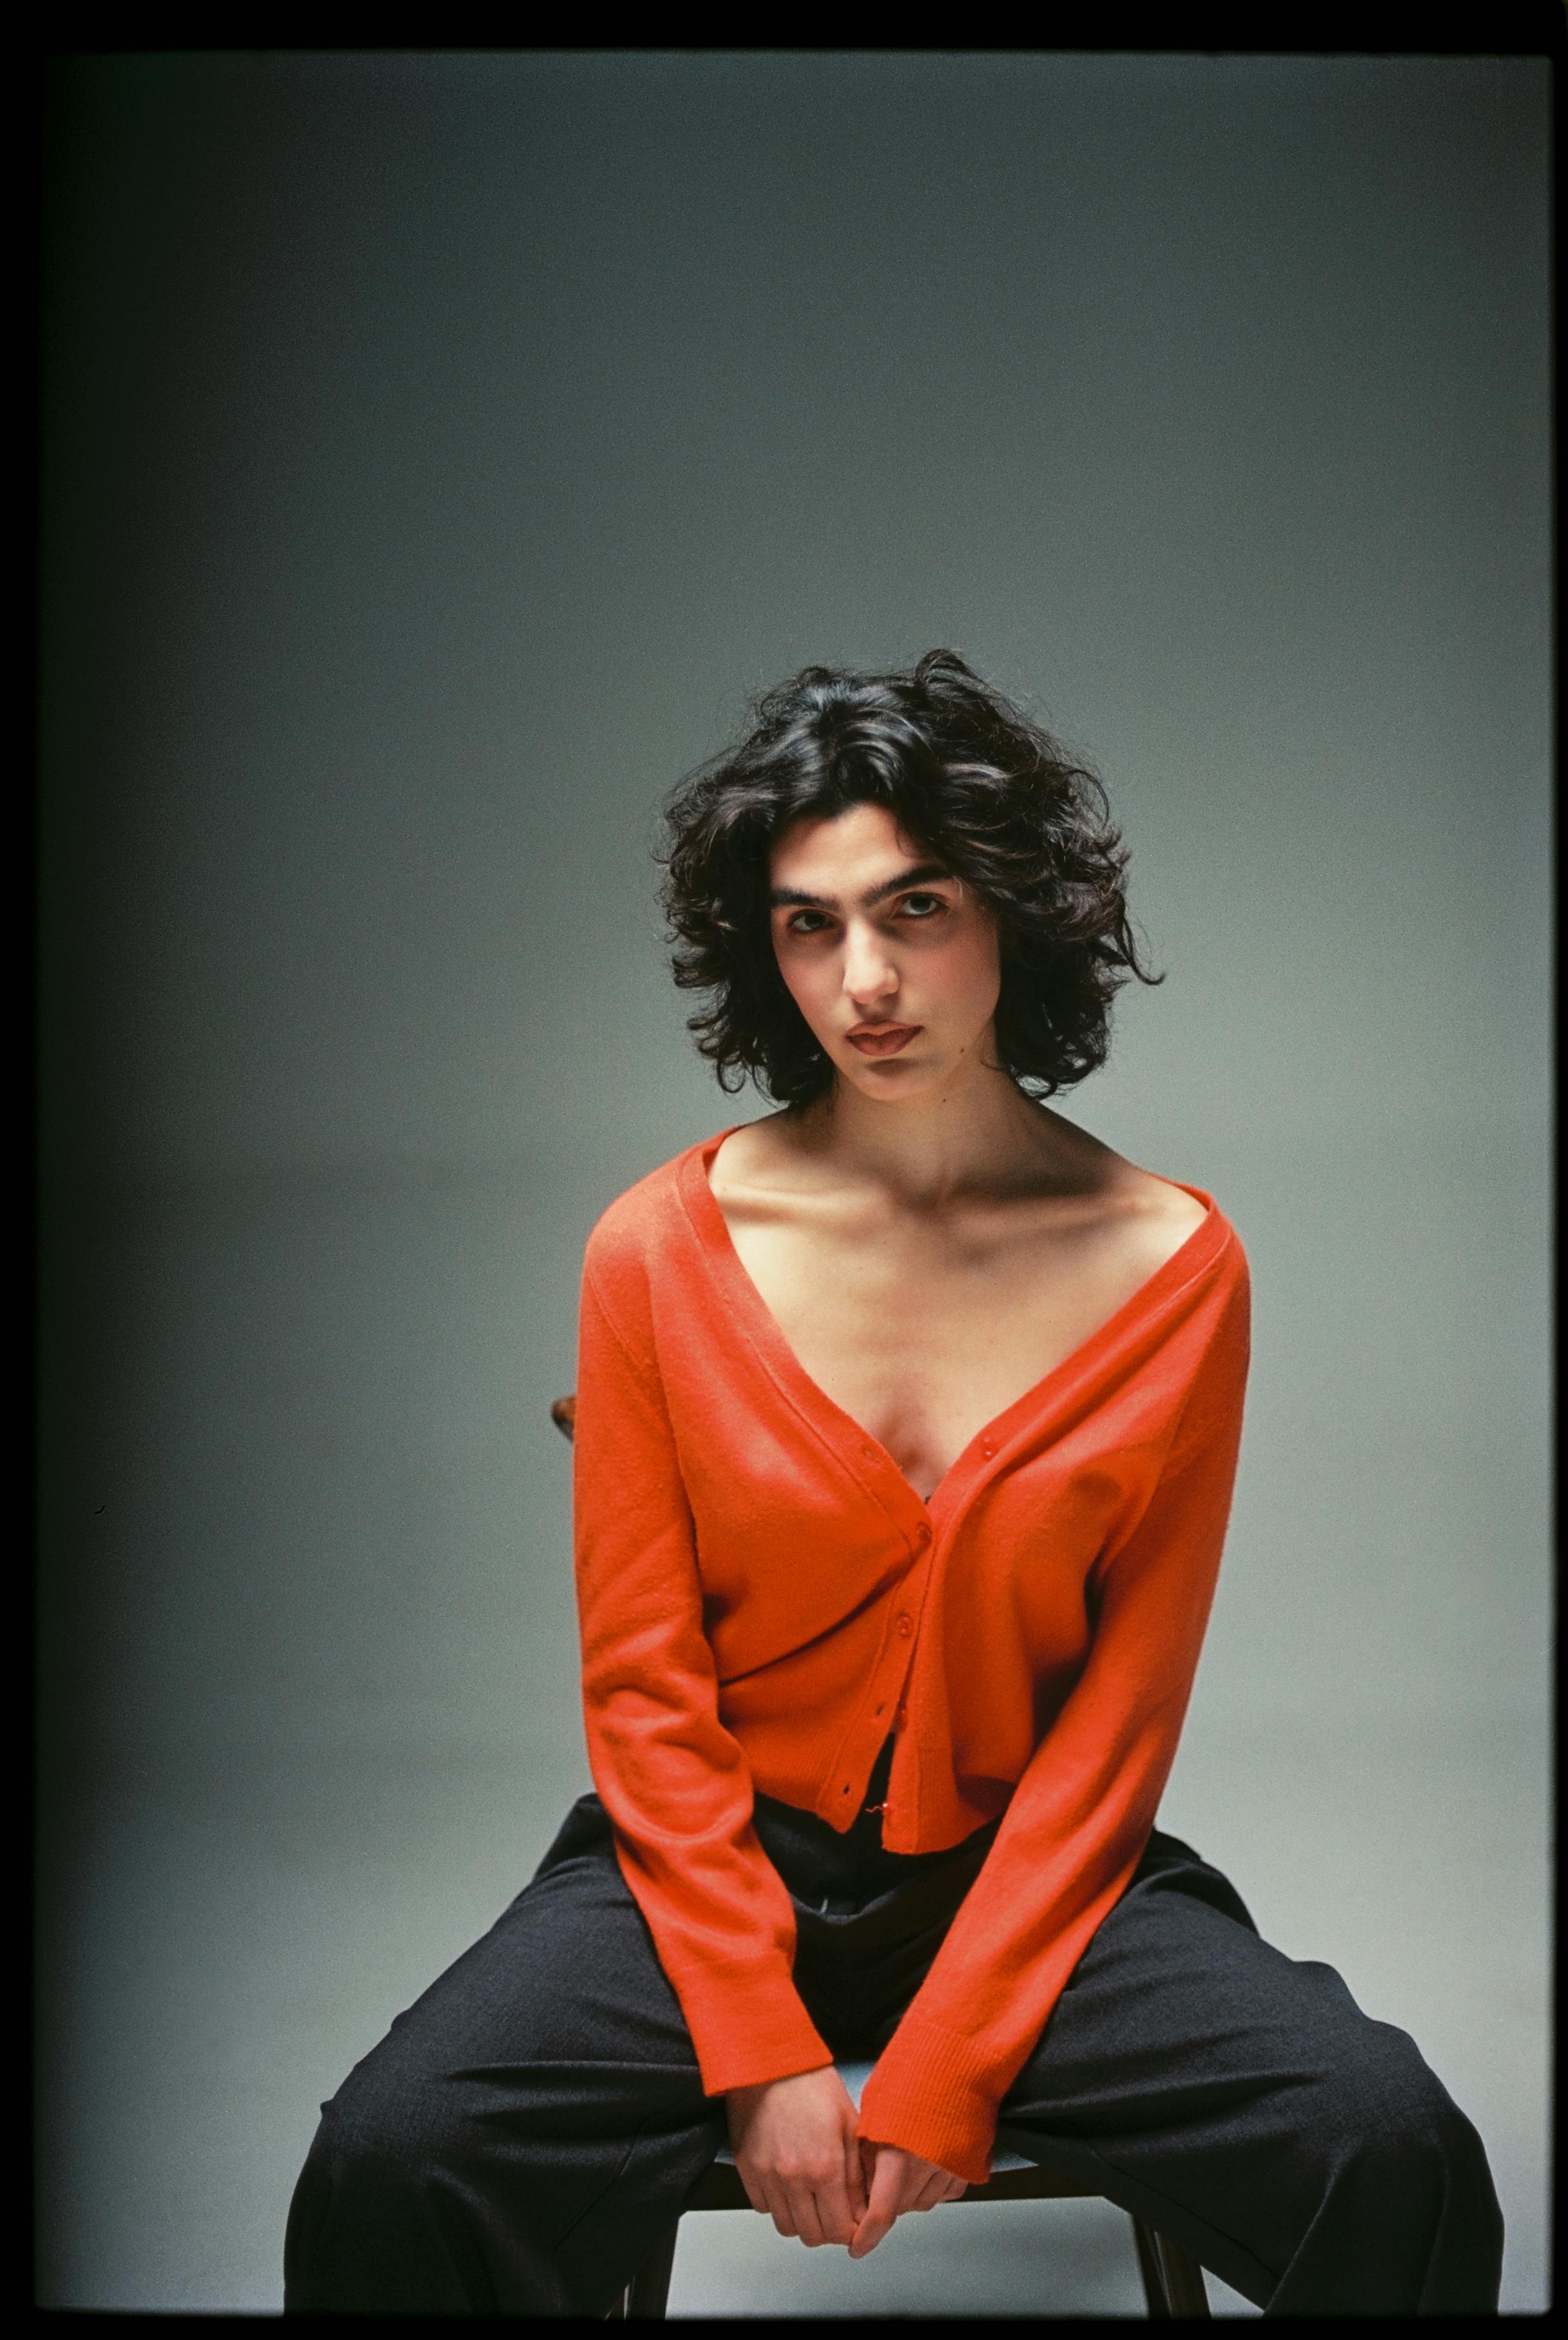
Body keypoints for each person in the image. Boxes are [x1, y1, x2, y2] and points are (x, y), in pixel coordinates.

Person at [284, 650, 1503, 2316]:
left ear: (1009, 911)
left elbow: (1117, 1721)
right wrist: (757, 2039)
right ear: (760, 948)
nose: (864, 976)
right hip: (707, 1863)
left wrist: (946, 2063)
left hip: (1028, 1871)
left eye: (913, 907)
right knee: (392, 2162)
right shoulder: (656, 1247)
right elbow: (644, 1688)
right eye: (808, 922)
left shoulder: (1175, 1266)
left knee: (1392, 2145)